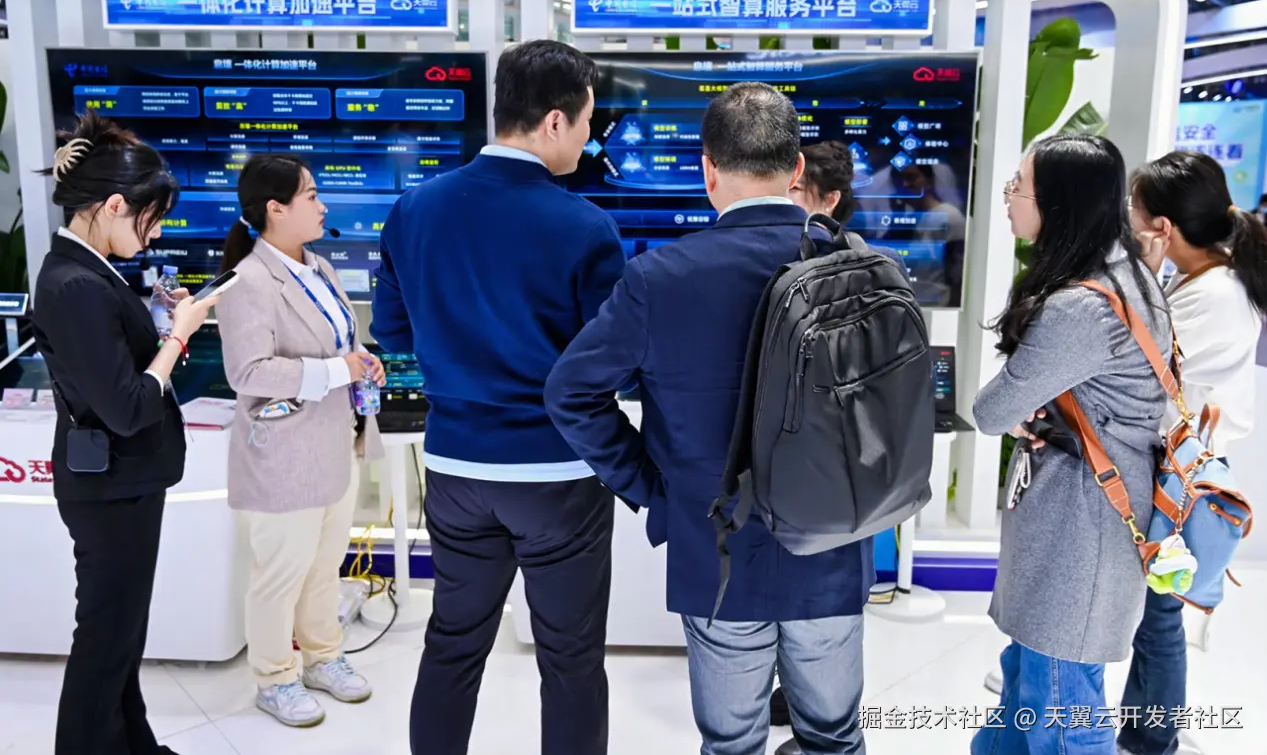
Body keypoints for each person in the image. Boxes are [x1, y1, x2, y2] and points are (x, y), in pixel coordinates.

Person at [545, 83, 872, 755]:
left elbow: (570, 392)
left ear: (707, 169)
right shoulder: (863, 267)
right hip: (834, 544)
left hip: (716, 544)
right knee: (834, 739)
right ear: (796, 168)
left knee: (730, 744)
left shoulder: (659, 277)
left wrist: (650, 486)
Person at [371, 39, 626, 755]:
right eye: (587, 122)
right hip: (557, 476)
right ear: (554, 121)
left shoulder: (414, 209)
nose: (589, 138)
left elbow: (393, 330)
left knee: (452, 643)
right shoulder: (585, 226)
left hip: (455, 467)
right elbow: (611, 361)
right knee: (570, 658)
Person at [972, 135, 1170, 755]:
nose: (1008, 197)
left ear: (1058, 203)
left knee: (1062, 714)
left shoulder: (1081, 307)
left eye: (1019, 186)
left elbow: (991, 410)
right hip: (1090, 511)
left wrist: (1023, 411)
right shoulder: (1127, 275)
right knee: (1028, 694)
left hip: (1080, 525)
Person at [32, 112, 218, 755]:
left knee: (121, 636)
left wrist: (161, 327)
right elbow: (130, 405)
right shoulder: (75, 283)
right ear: (114, 205)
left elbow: (117, 374)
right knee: (106, 640)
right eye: (151, 218)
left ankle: (134, 744)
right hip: (110, 485)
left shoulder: (88, 272)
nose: (156, 232)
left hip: (121, 480)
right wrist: (179, 335)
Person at [215, 154, 385, 728]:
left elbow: (341, 344)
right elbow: (248, 372)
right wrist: (339, 370)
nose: (323, 206)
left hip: (333, 442)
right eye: (311, 195)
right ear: (276, 208)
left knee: (324, 566)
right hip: (283, 455)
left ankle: (322, 657)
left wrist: (362, 363)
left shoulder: (321, 268)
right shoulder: (248, 281)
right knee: (280, 573)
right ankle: (274, 677)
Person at [1119, 150, 1266, 755]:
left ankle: (1154, 737)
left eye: (1134, 208)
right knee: (1155, 611)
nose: (1127, 217)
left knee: (1159, 614)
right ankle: (1141, 727)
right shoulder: (1202, 277)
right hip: (1174, 467)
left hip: (1180, 477)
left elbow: (1143, 369)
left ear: (1163, 226)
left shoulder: (1216, 295)